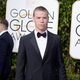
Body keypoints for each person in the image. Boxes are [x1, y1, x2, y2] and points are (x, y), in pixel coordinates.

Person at [15, 6, 66, 80]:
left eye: (44, 18)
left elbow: (60, 65)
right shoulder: (24, 40)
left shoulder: (56, 39)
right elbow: (20, 67)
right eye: (38, 18)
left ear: (48, 19)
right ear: (33, 19)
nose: (41, 21)